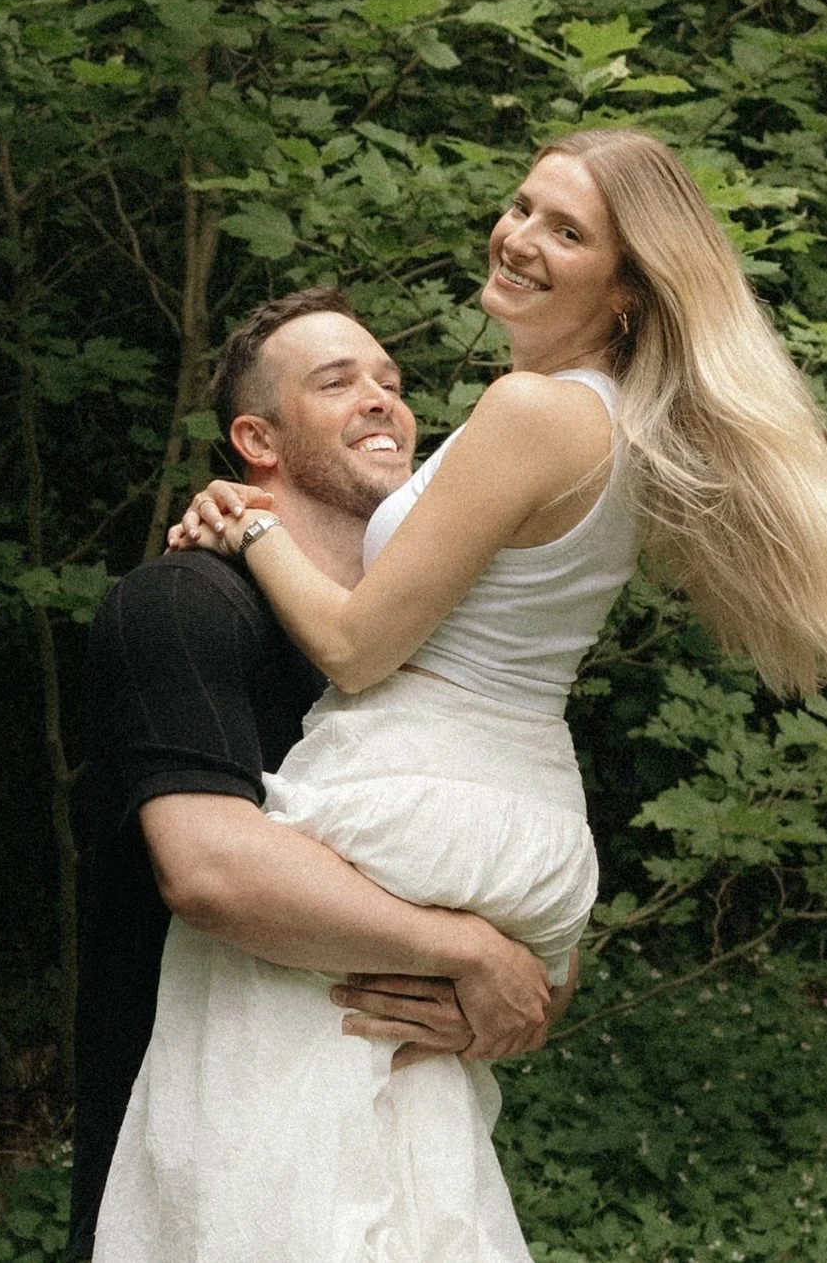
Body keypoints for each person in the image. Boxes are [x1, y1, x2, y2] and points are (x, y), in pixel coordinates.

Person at [95, 129, 827, 1262]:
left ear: (627, 290)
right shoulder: (614, 421)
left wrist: (248, 519)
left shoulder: (534, 411)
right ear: (257, 433)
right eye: (524, 205)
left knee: (260, 1092)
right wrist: (498, 954)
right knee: (404, 1158)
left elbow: (353, 651)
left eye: (566, 230)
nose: (520, 237)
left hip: (423, 777)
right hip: (516, 797)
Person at [67, 285, 565, 1263]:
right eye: (336, 382)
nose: (382, 398)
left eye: (390, 380)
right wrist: (467, 953)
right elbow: (211, 869)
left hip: (415, 1185)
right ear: (255, 438)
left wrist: (513, 983)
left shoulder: (432, 656)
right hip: (197, 1183)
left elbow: (532, 906)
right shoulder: (182, 607)